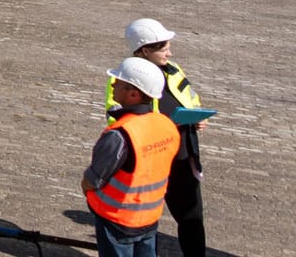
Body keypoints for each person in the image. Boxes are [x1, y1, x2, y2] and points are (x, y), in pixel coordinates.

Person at [108, 19, 206, 257]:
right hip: (151, 159)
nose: (170, 53)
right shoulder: (123, 79)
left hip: (183, 155)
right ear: (144, 51)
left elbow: (191, 97)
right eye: (164, 49)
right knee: (143, 221)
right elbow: (117, 121)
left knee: (192, 218)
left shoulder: (174, 69)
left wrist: (197, 116)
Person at [85, 57, 181, 257]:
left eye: (118, 83)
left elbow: (93, 179)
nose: (112, 87)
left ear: (133, 94)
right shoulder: (167, 125)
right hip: (149, 217)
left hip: (117, 219)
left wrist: (87, 189)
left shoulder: (120, 134)